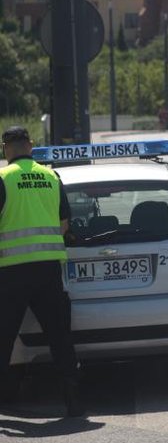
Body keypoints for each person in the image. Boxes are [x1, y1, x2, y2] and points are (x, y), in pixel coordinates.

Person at [0, 126, 83, 417]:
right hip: (48, 270)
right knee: (59, 336)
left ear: (5, 149)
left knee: (3, 338)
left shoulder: (3, 178)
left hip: (10, 272)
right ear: (31, 146)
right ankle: (73, 401)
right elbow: (64, 223)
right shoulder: (51, 176)